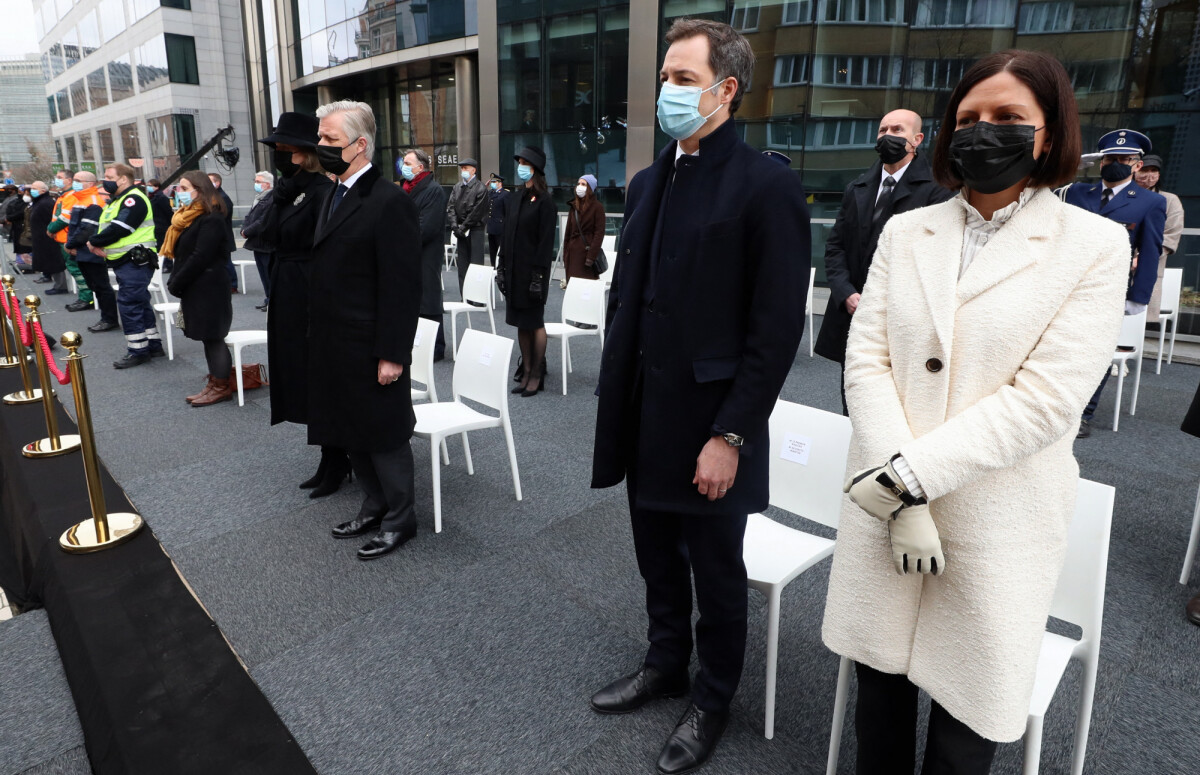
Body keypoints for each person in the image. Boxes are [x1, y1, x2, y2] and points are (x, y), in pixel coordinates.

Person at [822, 50, 1132, 774]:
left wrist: (906, 481)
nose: (982, 131)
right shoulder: (908, 232)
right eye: (968, 119)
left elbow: (1048, 401)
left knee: (964, 732)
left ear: (1048, 135)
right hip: (886, 511)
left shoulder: (1093, 245)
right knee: (880, 706)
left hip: (996, 518)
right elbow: (868, 364)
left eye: (1007, 119)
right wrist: (900, 497)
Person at [589, 20, 810, 774]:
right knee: (656, 560)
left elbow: (774, 330)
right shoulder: (650, 181)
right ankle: (665, 664)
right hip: (643, 412)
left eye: (684, 78)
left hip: (713, 426)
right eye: (665, 77)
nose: (668, 91)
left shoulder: (768, 185)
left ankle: (712, 699)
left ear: (727, 90)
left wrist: (733, 435)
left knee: (716, 575)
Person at [310, 100, 422, 560]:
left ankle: (401, 519)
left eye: (330, 141)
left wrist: (392, 353)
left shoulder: (389, 201)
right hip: (335, 343)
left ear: (360, 146)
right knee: (352, 431)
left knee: (385, 435)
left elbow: (402, 286)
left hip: (372, 344)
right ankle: (374, 505)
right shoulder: (331, 193)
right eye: (320, 139)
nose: (321, 147)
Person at [814, 109, 953, 414]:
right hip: (853, 316)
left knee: (892, 411)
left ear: (917, 140)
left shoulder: (938, 192)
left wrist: (882, 301)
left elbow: (934, 259)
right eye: (883, 130)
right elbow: (836, 246)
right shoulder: (856, 188)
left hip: (901, 322)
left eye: (898, 129)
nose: (888, 135)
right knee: (852, 405)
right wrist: (845, 292)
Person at [257, 112, 348, 498]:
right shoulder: (287, 188)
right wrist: (278, 197)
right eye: (278, 150)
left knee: (319, 375)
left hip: (310, 289)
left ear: (305, 153)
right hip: (287, 288)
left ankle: (337, 457)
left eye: (287, 150)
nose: (281, 156)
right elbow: (259, 234)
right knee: (299, 373)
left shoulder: (324, 191)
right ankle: (328, 456)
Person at [1062, 129, 1167, 438]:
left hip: (1108, 291)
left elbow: (1150, 252)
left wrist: (1138, 297)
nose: (1115, 164)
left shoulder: (1149, 202)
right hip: (1064, 285)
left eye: (1123, 159)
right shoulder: (1075, 192)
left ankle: (1083, 414)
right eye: (1109, 158)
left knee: (1095, 353)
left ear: (1136, 165)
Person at [163, 171, 235, 405]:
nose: (179, 193)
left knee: (214, 336)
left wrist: (177, 282)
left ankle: (221, 386)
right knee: (207, 336)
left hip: (209, 286)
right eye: (179, 188)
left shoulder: (212, 218)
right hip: (197, 285)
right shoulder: (190, 216)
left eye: (184, 189)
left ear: (200, 190)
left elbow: (200, 256)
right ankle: (214, 381)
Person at [87, 163, 166, 368]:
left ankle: (138, 350)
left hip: (135, 259)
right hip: (125, 260)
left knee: (129, 304)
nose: (105, 180)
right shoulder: (118, 200)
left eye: (108, 176)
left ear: (122, 179)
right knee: (138, 301)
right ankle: (153, 344)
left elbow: (120, 228)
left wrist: (94, 242)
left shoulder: (133, 199)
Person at [496, 146, 556, 398]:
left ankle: (536, 374)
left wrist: (538, 277)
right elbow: (506, 235)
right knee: (521, 323)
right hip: (514, 272)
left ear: (536, 168)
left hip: (533, 274)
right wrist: (501, 266)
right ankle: (527, 368)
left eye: (524, 162)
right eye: (519, 161)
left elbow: (545, 243)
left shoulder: (545, 201)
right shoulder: (516, 197)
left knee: (535, 323)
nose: (520, 166)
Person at [400, 147, 448, 361]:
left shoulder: (434, 190)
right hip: (408, 253)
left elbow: (425, 228)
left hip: (426, 254)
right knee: (411, 300)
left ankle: (435, 347)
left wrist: (399, 240)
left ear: (421, 167)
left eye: (408, 164)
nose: (404, 167)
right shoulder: (406, 187)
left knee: (428, 299)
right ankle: (416, 344)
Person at [61, 171, 118, 335]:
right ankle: (106, 318)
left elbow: (87, 229)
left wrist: (70, 244)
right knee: (96, 286)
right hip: (82, 250)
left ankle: (109, 319)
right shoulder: (81, 199)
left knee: (102, 287)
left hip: (91, 250)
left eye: (79, 181)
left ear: (90, 183)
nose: (75, 183)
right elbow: (75, 226)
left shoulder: (93, 201)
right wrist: (71, 244)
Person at [1134, 154, 1186, 323]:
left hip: (1150, 263)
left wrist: (1143, 256)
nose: (1149, 175)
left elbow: (1171, 235)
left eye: (1154, 170)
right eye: (1144, 170)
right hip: (1117, 261)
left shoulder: (1169, 200)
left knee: (1138, 321)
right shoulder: (1122, 195)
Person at [47, 170, 94, 311]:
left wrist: (50, 229)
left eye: (60, 177)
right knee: (75, 269)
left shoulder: (71, 196)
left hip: (68, 237)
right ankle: (85, 297)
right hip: (63, 237)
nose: (57, 180)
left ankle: (87, 298)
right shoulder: (64, 196)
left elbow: (65, 218)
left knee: (77, 269)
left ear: (68, 180)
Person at [446, 156, 488, 293]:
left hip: (475, 230)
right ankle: (464, 294)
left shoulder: (480, 188)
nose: (463, 171)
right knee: (462, 264)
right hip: (460, 231)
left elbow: (477, 212)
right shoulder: (457, 187)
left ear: (473, 170)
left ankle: (477, 296)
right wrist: (454, 226)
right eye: (462, 168)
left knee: (476, 264)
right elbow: (450, 207)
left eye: (466, 168)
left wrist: (463, 227)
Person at [562, 173, 604, 287]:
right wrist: (565, 255)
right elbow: (568, 233)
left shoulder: (597, 207)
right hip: (572, 255)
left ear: (590, 188)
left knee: (585, 291)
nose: (579, 186)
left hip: (586, 257)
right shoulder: (573, 207)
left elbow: (599, 234)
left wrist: (591, 257)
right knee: (573, 289)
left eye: (583, 184)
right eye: (578, 184)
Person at [241, 170, 276, 311]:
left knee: (269, 274)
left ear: (267, 184)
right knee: (263, 275)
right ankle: (268, 298)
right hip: (257, 244)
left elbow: (263, 221)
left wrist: (247, 231)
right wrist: (243, 229)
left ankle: (272, 301)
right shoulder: (259, 197)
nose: (255, 184)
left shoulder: (271, 198)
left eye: (258, 182)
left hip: (266, 244)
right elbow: (249, 217)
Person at [27, 182, 66, 295]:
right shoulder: (39, 202)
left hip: (48, 237)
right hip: (42, 237)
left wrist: (51, 231)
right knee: (49, 261)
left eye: (34, 188)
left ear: (43, 190)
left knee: (55, 262)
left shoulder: (46, 203)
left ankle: (60, 286)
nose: (31, 190)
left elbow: (53, 220)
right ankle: (56, 284)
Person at [207, 172, 239, 292]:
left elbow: (221, 217)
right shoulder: (214, 197)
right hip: (218, 235)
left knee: (225, 261)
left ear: (217, 183)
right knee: (221, 261)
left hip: (223, 235)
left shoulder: (222, 198)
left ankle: (232, 284)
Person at [146, 178, 175, 261]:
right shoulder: (151, 197)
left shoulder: (161, 197)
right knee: (159, 246)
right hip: (156, 225)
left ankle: (167, 263)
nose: (148, 187)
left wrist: (170, 223)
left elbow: (168, 212)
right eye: (147, 186)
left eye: (150, 186)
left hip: (162, 225)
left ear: (157, 186)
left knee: (164, 245)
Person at [485, 173, 508, 264]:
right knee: (492, 251)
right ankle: (493, 267)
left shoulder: (505, 194)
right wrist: (485, 187)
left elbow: (507, 211)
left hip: (500, 227)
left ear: (500, 183)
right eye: (491, 182)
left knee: (501, 250)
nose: (492, 183)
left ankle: (501, 269)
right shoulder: (490, 193)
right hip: (491, 227)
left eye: (494, 182)